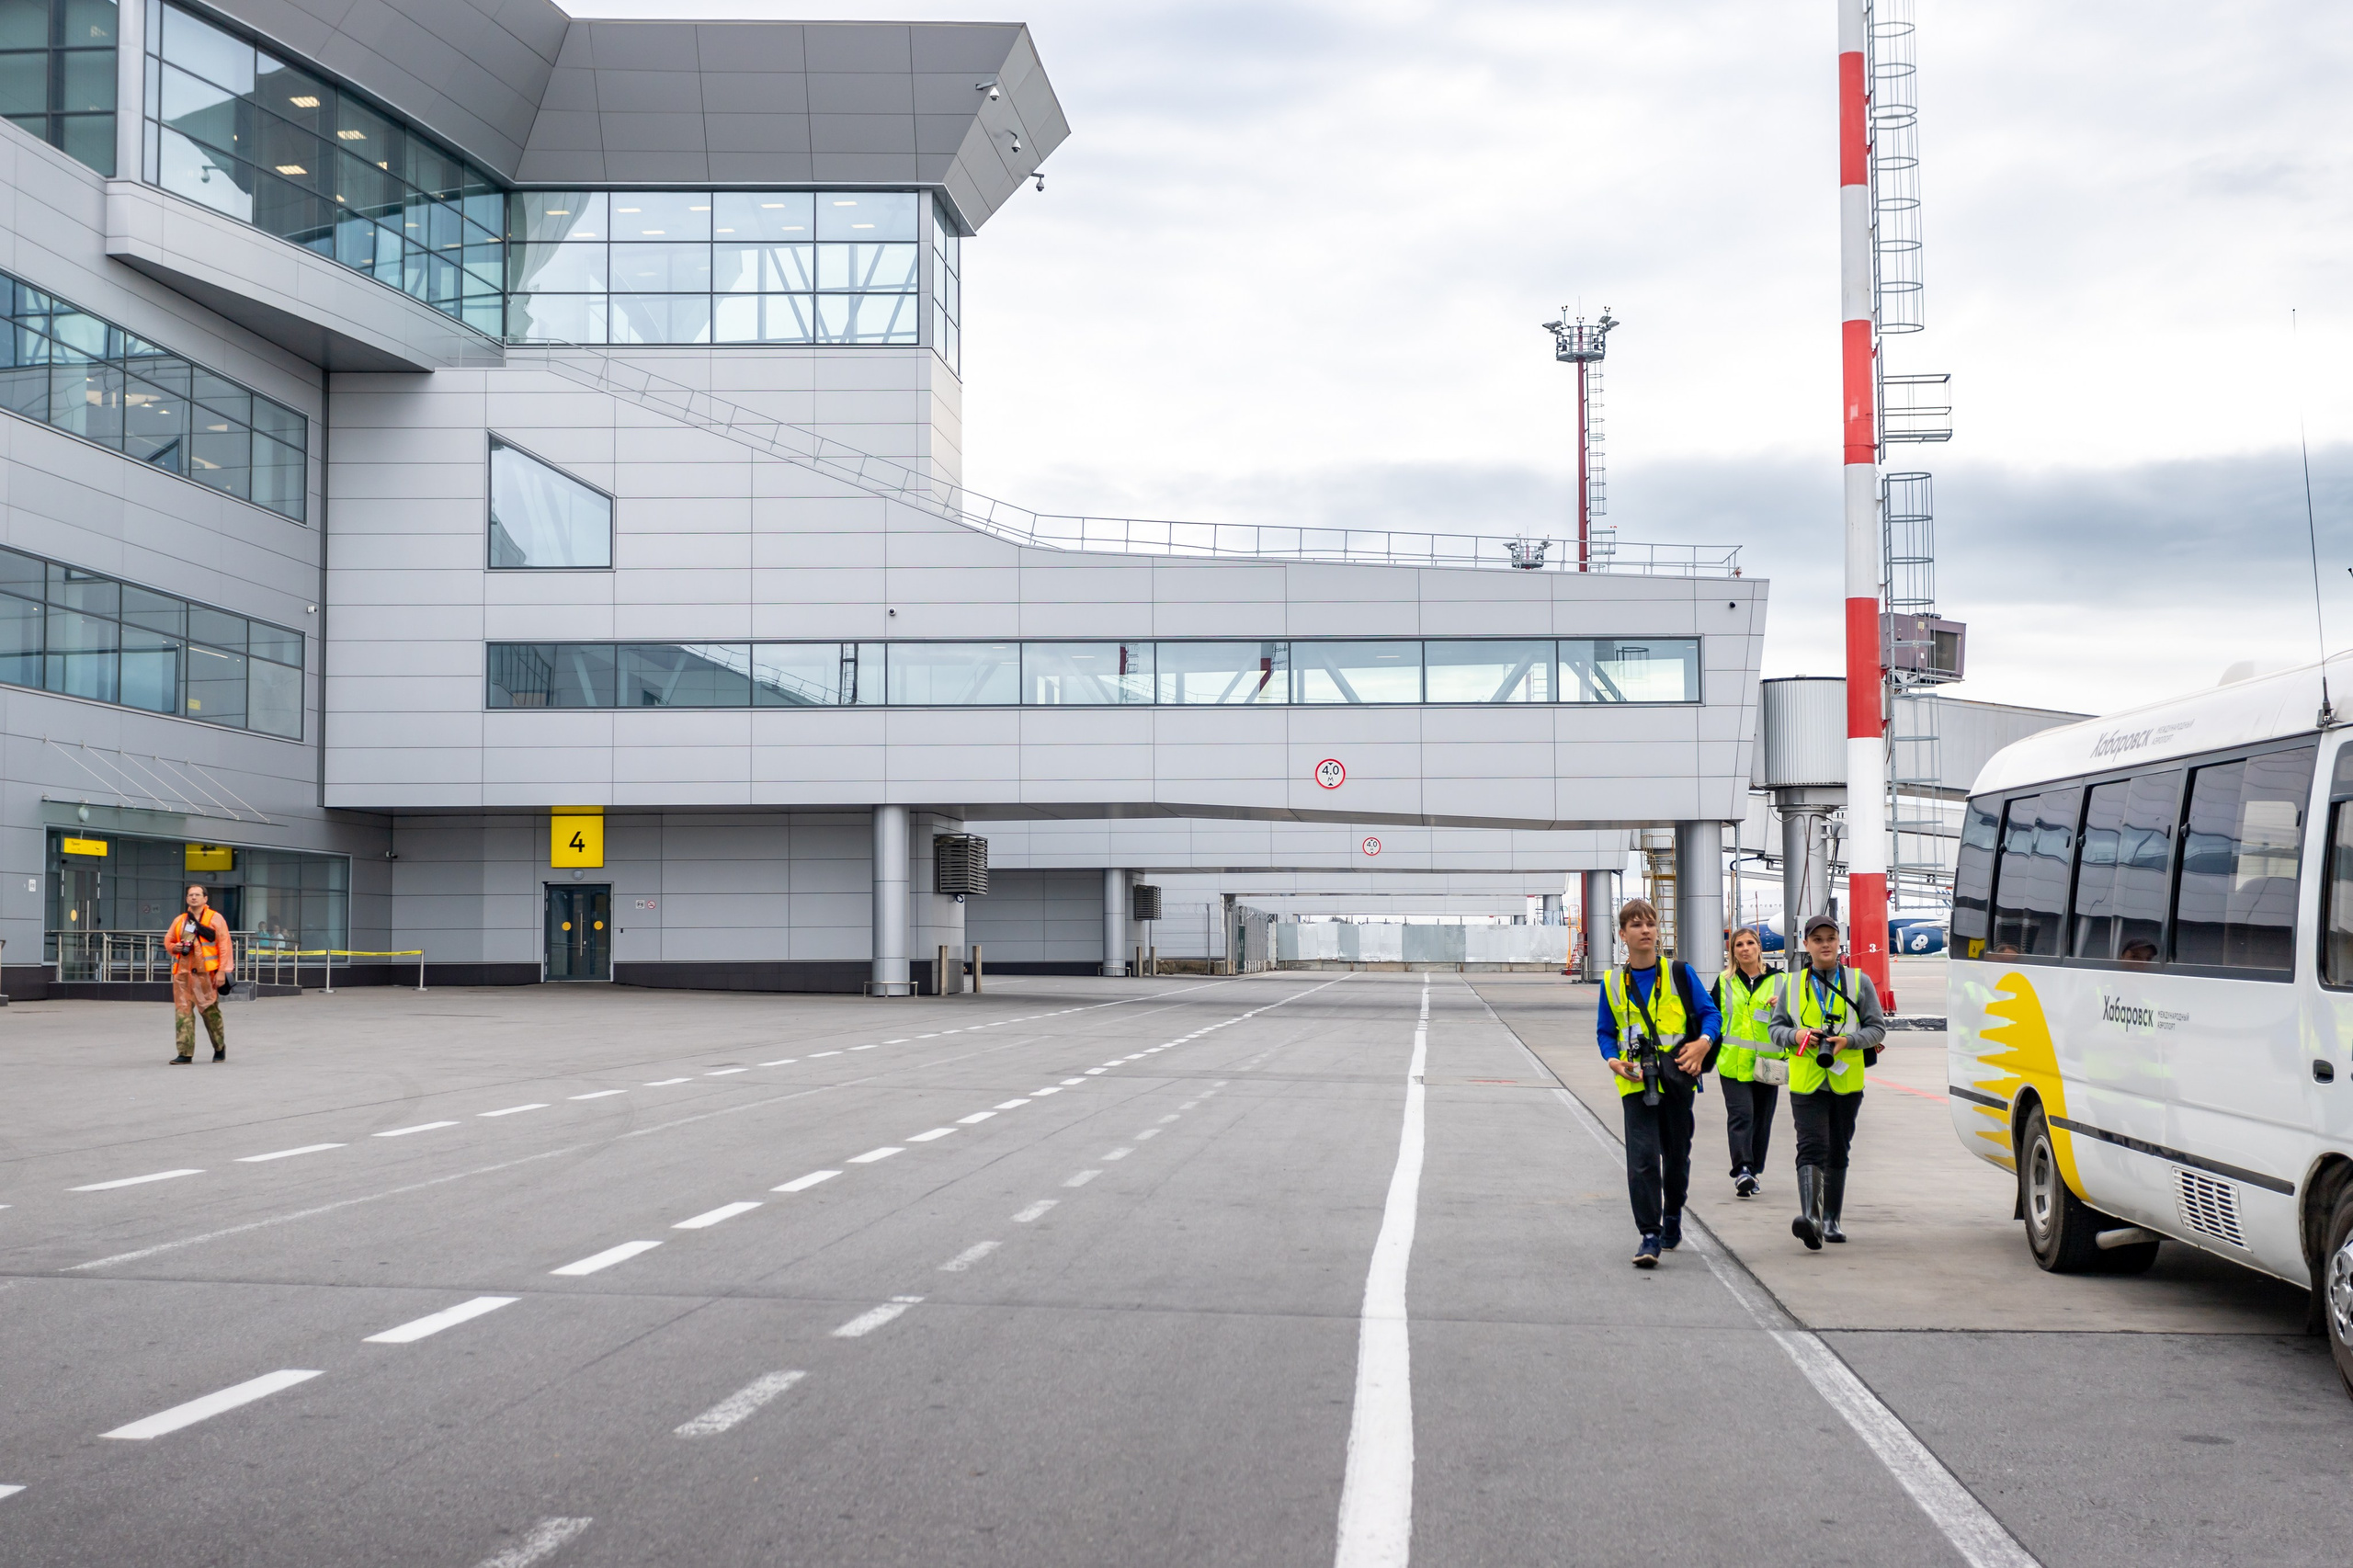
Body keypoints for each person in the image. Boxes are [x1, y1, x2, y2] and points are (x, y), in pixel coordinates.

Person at [1596, 898, 1721, 1268]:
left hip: (1677, 1079)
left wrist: (1703, 1043)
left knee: (1676, 1158)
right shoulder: (1612, 982)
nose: (1645, 930)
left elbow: (1710, 1015)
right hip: (1635, 1083)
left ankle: (1673, 1215)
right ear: (1623, 935)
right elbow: (1605, 1032)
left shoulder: (1681, 973)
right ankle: (1649, 1234)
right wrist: (1613, 1060)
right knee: (1643, 1160)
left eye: (1650, 923)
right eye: (1636, 925)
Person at [1768, 912, 1886, 1249]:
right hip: (1806, 1080)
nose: (1825, 945)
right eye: (1817, 940)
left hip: (1846, 1080)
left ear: (1838, 943)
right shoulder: (1790, 984)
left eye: (1830, 939)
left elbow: (1876, 1027)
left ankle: (1831, 1218)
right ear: (1806, 945)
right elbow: (1775, 1030)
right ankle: (1811, 1218)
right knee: (1810, 1146)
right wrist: (1797, 1035)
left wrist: (1847, 1041)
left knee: (1838, 1147)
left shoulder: (1858, 981)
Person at [1712, 926, 1784, 1199]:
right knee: (1741, 1115)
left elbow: (1798, 1018)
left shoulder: (1781, 981)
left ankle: (1753, 1171)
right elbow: (1712, 1015)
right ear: (1733, 952)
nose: (1745, 948)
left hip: (1768, 1063)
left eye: (1750, 943)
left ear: (1759, 948)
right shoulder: (1724, 981)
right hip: (1733, 1062)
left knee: (1762, 1120)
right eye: (1739, 945)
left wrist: (1784, 1006)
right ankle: (1742, 1168)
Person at [165, 883, 233, 1064]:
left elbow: (224, 946)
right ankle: (185, 1053)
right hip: (183, 974)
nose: (193, 897)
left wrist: (222, 972)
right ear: (187, 899)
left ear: (205, 898)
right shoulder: (180, 920)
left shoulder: (215, 919)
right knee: (183, 1013)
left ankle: (219, 1047)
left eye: (197, 894)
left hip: (206, 975)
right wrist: (174, 947)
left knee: (211, 1013)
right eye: (190, 895)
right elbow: (169, 940)